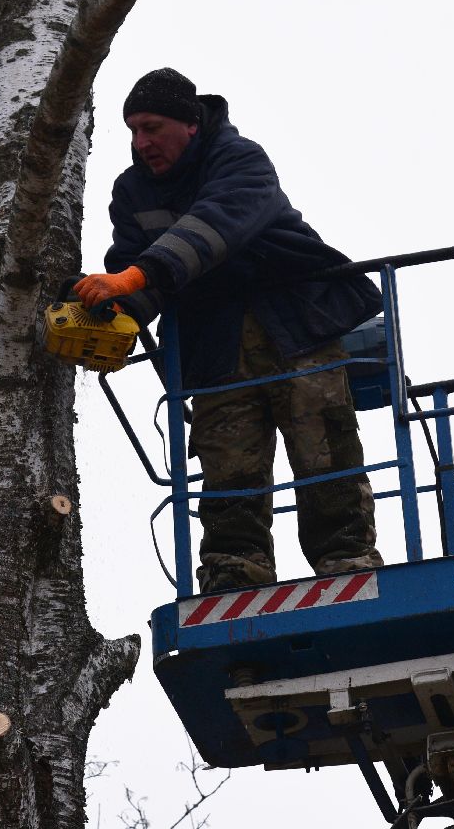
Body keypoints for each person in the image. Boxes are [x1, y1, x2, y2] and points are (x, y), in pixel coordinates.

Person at [75, 67, 385, 594]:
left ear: (190, 124)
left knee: (325, 448)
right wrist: (109, 312)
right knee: (227, 465)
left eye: (151, 127)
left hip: (296, 327)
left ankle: (347, 562)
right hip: (213, 346)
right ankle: (234, 575)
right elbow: (138, 277)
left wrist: (135, 276)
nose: (141, 142)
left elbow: (215, 225)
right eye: (133, 130)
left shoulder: (241, 161)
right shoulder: (132, 192)